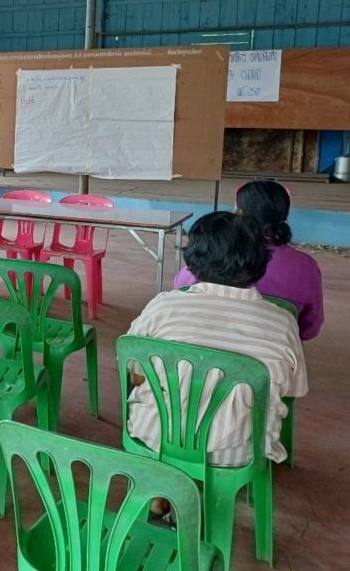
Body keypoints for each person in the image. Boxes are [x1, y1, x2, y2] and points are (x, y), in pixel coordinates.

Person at [128, 211, 307, 473]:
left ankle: (162, 490)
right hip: (241, 450)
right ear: (260, 263)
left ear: (192, 261)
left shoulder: (163, 306)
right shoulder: (282, 322)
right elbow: (292, 389)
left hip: (157, 435)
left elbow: (135, 373)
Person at [174, 179, 323, 340]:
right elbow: (309, 329)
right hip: (272, 344)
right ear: (284, 215)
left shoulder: (216, 252)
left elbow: (181, 287)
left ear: (239, 213)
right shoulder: (306, 266)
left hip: (203, 339)